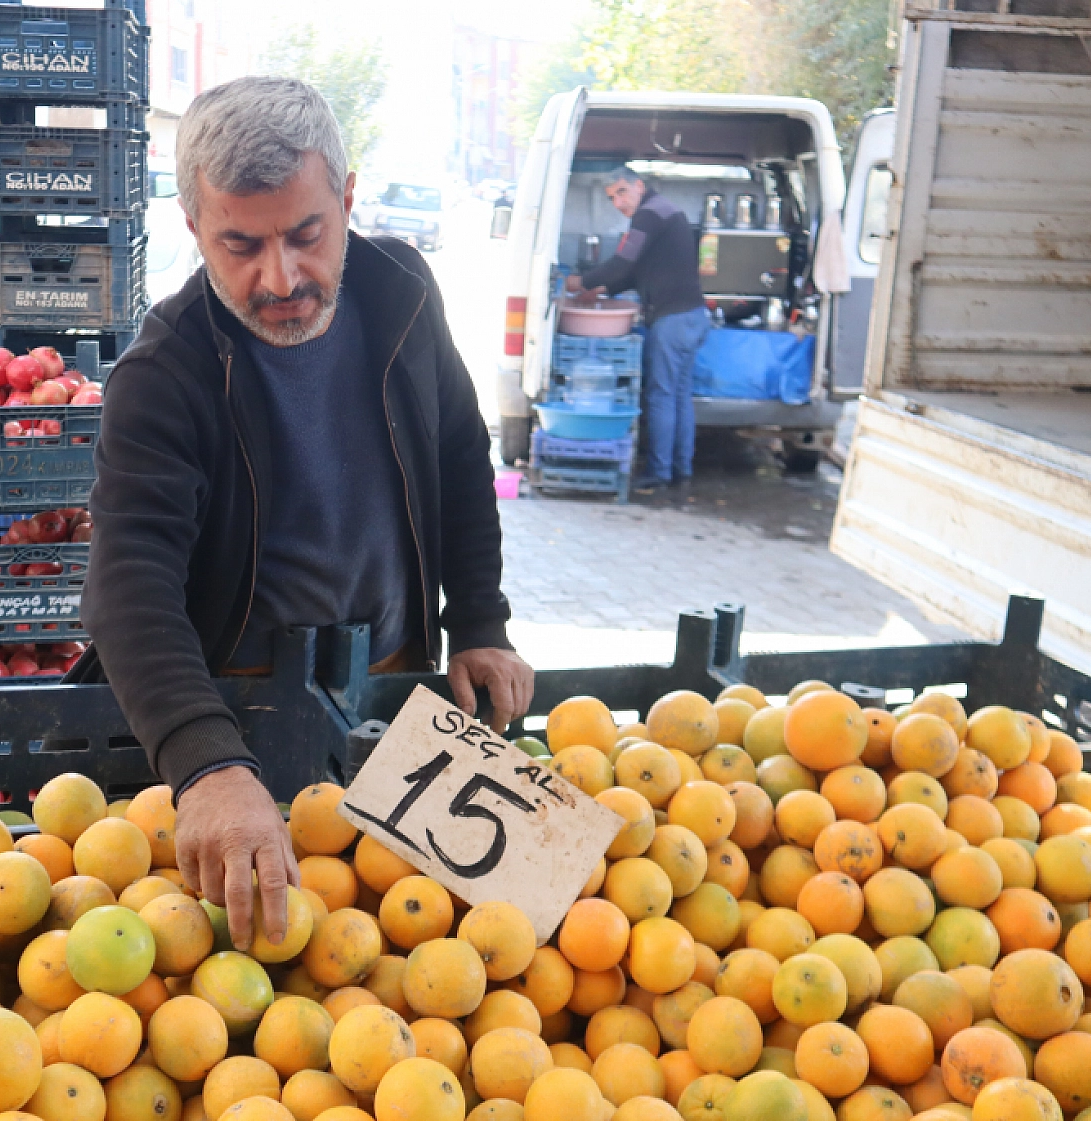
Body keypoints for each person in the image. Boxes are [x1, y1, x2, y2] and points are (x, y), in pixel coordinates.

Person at [72, 76, 535, 952]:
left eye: (306, 235)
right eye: (239, 245)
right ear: (194, 230)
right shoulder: (162, 375)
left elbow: (458, 454)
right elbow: (128, 588)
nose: (279, 277)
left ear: (347, 199)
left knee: (486, 942)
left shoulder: (402, 290)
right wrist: (206, 762)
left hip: (394, 699)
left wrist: (479, 618)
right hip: (234, 713)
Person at [566, 166, 710, 492]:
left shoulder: (648, 216)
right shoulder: (667, 212)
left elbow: (623, 263)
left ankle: (659, 473)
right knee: (679, 396)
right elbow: (635, 272)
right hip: (694, 316)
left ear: (639, 186)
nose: (617, 202)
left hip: (672, 320)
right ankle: (680, 469)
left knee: (661, 395)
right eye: (612, 197)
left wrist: (581, 282)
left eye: (621, 193)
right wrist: (602, 291)